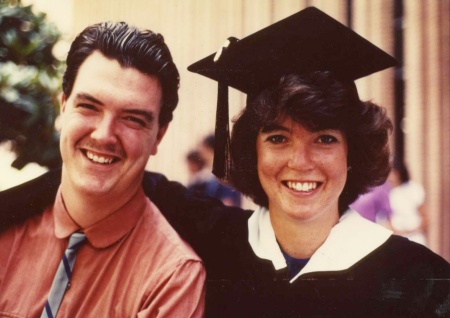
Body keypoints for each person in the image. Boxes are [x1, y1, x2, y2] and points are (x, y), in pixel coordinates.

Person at [1, 7, 449, 318]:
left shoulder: (420, 282)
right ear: (251, 150)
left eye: (325, 139)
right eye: (277, 137)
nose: (300, 161)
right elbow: (93, 175)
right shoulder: (214, 240)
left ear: (353, 153)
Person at [0, 21, 205, 317]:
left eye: (133, 119)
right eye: (89, 106)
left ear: (159, 135)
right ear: (63, 106)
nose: (103, 135)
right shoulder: (7, 233)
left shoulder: (171, 278)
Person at [187, 134, 242, 207]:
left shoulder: (226, 175)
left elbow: (228, 204)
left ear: (209, 149)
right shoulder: (204, 177)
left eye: (202, 148)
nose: (199, 152)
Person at [388, 160, 428, 245]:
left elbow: (424, 216)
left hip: (416, 237)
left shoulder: (414, 188)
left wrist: (414, 230)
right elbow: (388, 219)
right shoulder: (389, 193)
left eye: (393, 173)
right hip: (398, 239)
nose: (390, 177)